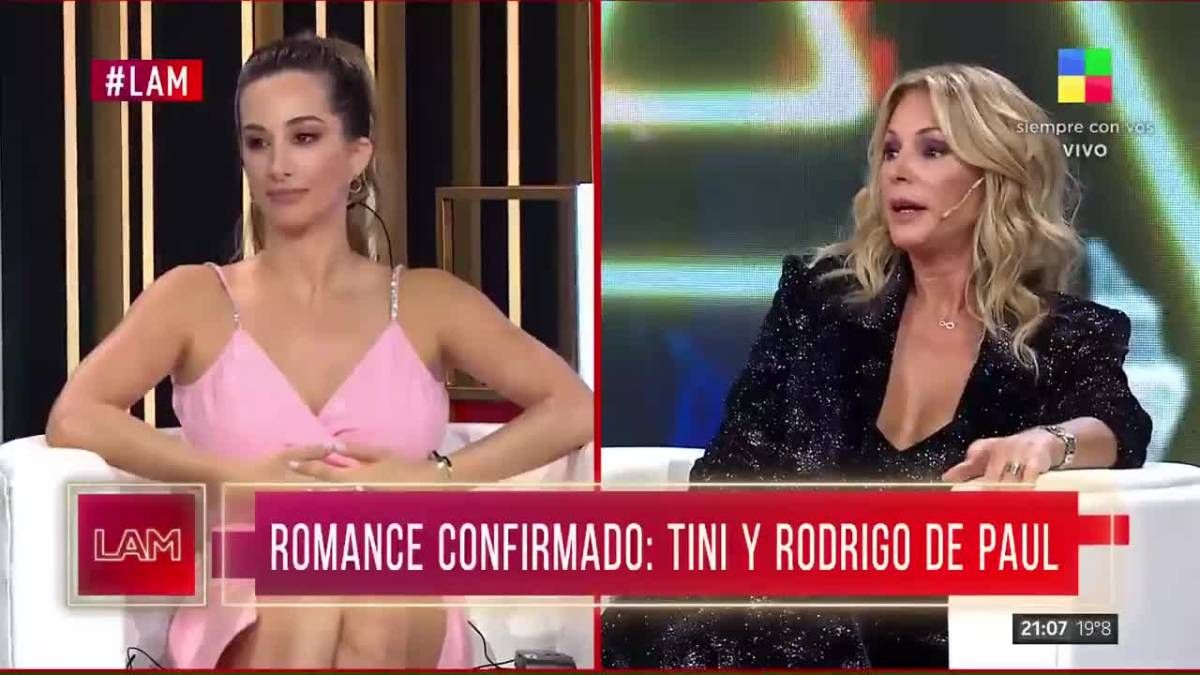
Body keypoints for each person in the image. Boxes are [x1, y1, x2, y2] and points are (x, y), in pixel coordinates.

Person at [46, 35, 593, 669]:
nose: (277, 165)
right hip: (248, 596)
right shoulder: (193, 298)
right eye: (257, 142)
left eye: (303, 137)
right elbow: (75, 416)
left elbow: (573, 407)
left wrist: (434, 477)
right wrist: (235, 477)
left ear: (358, 154)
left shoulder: (429, 302)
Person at [601, 63, 1151, 668]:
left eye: (932, 150)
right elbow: (732, 468)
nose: (898, 170)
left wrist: (1048, 442)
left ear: (994, 176)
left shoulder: (1063, 332)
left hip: (925, 640)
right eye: (890, 151)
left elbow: (1117, 423)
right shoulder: (819, 299)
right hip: (768, 618)